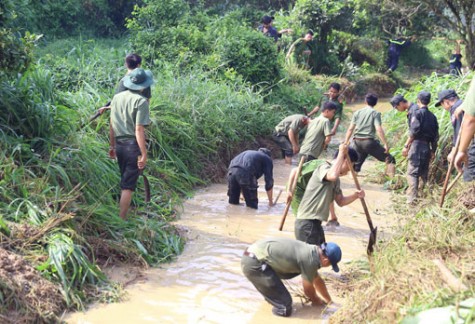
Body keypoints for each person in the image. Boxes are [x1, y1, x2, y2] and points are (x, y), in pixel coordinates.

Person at [241, 237, 342, 317]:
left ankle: (272, 300)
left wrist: (329, 301)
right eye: (330, 265)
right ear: (326, 261)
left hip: (254, 254)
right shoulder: (311, 261)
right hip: (254, 263)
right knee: (285, 307)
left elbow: (317, 280)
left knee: (279, 298)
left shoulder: (312, 251)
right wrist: (318, 303)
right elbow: (308, 291)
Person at [293, 144, 364, 245]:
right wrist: (341, 152)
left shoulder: (336, 181)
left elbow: (341, 201)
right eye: (351, 166)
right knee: (314, 258)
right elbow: (332, 175)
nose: (349, 170)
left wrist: (356, 195)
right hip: (307, 223)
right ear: (345, 161)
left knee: (324, 256)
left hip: (316, 224)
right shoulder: (324, 167)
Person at [109, 68, 154, 219]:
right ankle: (122, 220)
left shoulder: (117, 98)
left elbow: (111, 124)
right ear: (142, 86)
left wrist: (112, 146)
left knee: (125, 180)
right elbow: (139, 129)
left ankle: (123, 215)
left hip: (120, 145)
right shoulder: (141, 101)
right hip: (132, 146)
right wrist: (143, 153)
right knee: (128, 186)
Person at [344, 93, 396, 176]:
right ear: (375, 103)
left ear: (365, 101)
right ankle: (391, 180)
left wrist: (346, 141)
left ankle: (353, 179)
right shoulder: (375, 113)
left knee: (357, 164)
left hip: (356, 141)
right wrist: (385, 143)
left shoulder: (357, 112)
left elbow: (350, 129)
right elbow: (378, 129)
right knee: (390, 159)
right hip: (368, 142)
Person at [402, 91, 439, 204]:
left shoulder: (417, 113)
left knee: (412, 173)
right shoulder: (433, 117)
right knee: (423, 173)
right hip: (427, 147)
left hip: (417, 146)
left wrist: (406, 145)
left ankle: (411, 199)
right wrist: (433, 151)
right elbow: (436, 136)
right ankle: (423, 197)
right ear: (429, 101)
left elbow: (414, 131)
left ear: (418, 101)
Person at [435, 89, 474, 181]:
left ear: (446, 102)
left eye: (441, 104)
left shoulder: (456, 110)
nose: (443, 107)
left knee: (470, 175)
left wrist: (454, 152)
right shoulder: (465, 104)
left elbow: (459, 133)